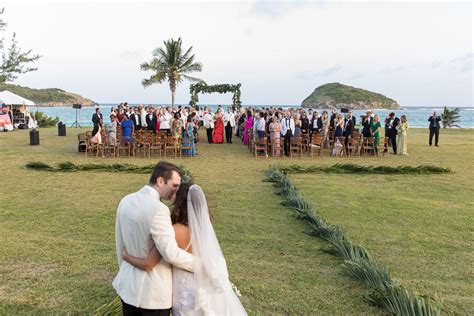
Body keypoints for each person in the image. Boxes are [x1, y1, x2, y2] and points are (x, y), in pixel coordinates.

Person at [123, 183, 247, 315]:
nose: (172, 195)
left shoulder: (174, 230)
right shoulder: (204, 229)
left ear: (180, 200)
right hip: (204, 286)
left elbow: (151, 261)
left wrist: (126, 256)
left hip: (185, 290)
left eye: (175, 192)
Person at [113, 162, 195, 315]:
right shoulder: (159, 209)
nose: (176, 191)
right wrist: (202, 265)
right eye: (174, 185)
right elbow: (170, 253)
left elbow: (120, 243)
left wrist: (123, 266)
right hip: (154, 294)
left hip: (127, 287)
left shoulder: (125, 200)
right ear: (160, 181)